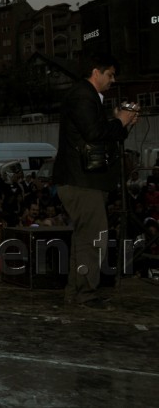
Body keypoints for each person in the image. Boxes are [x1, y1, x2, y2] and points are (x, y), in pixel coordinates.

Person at [52, 52, 139, 310]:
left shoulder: (88, 97)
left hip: (83, 181)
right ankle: (85, 294)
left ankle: (76, 291)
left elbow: (99, 133)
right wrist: (119, 121)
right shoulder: (82, 95)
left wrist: (121, 123)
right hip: (82, 182)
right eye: (110, 74)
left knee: (85, 240)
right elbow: (94, 133)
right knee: (93, 240)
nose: (112, 80)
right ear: (96, 72)